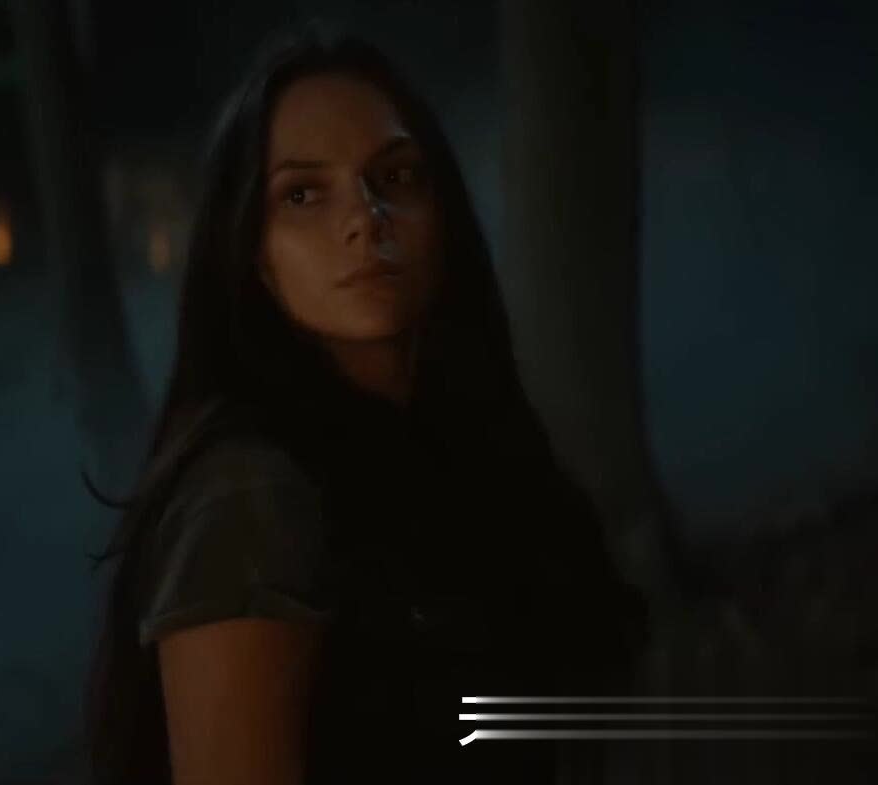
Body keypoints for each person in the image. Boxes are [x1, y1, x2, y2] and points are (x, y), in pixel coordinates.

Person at [80, 24, 649, 785]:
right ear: (251, 251)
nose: (365, 217)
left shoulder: (460, 448)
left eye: (396, 176)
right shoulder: (250, 497)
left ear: (442, 212)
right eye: (303, 194)